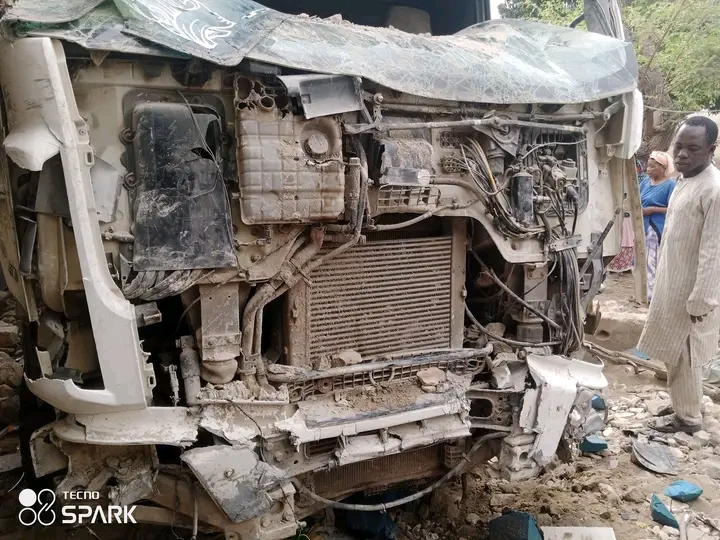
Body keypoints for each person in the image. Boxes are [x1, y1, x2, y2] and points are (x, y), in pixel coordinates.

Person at [636, 116, 720, 433]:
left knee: (686, 352)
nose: (683, 154)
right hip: (674, 282)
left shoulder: (713, 189)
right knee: (673, 349)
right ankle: (682, 402)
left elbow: (714, 251)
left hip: (693, 290)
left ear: (711, 149)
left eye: (693, 148)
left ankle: (688, 418)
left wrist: (702, 298)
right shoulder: (685, 181)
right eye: (679, 147)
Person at [640, 151, 677, 302]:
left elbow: (673, 208)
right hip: (642, 225)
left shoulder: (670, 185)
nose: (648, 169)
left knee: (651, 261)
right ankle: (642, 293)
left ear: (663, 167)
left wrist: (653, 209)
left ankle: (652, 296)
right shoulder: (645, 183)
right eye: (647, 166)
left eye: (652, 166)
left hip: (655, 227)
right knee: (643, 260)